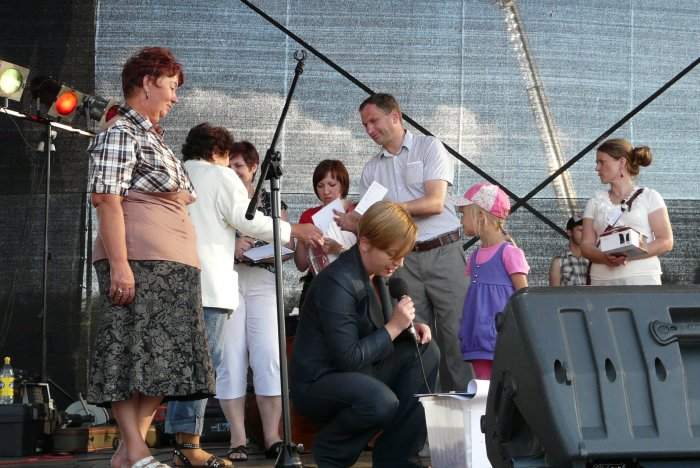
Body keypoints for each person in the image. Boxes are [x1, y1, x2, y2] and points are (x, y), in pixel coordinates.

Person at [167, 129, 322, 466]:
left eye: (239, 164)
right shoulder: (216, 176)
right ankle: (202, 443)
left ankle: (189, 443)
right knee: (213, 363)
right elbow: (244, 219)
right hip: (216, 283)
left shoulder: (179, 172)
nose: (231, 167)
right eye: (229, 159)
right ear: (218, 152)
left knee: (203, 362)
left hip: (188, 280)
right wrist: (294, 230)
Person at [87, 47, 208, 468]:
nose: (175, 97)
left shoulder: (155, 138)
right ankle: (137, 452)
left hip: (173, 266)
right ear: (147, 83)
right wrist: (120, 265)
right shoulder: (121, 132)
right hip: (139, 262)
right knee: (128, 353)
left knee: (162, 360)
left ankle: (129, 452)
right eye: (171, 87)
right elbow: (107, 200)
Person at [335, 93, 470, 392]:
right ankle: (424, 417)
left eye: (374, 121)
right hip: (402, 259)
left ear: (395, 116)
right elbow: (370, 219)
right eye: (364, 125)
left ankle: (467, 414)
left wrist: (386, 210)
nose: (369, 129)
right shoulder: (371, 169)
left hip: (443, 251)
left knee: (457, 337)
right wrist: (353, 220)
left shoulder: (428, 146)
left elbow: (435, 202)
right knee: (418, 340)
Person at [291, 201, 439, 468]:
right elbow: (348, 357)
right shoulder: (337, 282)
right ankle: (332, 450)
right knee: (379, 401)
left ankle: (396, 460)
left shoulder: (376, 273)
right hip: (319, 383)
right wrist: (394, 326)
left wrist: (409, 327)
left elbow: (378, 332)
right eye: (392, 254)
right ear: (365, 243)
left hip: (360, 370)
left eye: (403, 255)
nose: (399, 263)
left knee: (426, 352)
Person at [215, 141, 287, 461]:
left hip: (262, 280)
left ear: (255, 167)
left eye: (239, 166)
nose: (233, 171)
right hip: (227, 279)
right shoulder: (218, 197)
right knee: (230, 358)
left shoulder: (271, 199)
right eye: (228, 166)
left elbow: (284, 242)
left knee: (268, 355)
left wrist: (258, 250)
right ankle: (238, 437)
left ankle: (272, 436)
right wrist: (231, 247)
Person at [454, 182, 529, 380]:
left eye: (463, 214)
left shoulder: (510, 253)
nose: (461, 221)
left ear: (480, 215)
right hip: (477, 342)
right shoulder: (474, 256)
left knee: (504, 389)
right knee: (484, 390)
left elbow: (524, 298)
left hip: (503, 342)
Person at [580, 138, 673, 286]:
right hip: (602, 280)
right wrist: (604, 258)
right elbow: (586, 245)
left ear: (622, 162)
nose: (597, 168)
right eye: (597, 163)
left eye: (602, 162)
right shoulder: (594, 201)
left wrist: (629, 254)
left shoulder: (650, 196)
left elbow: (666, 241)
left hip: (641, 277)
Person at [294, 159, 354, 307]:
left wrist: (338, 249)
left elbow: (367, 255)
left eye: (332, 185)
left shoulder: (355, 213)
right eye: (320, 186)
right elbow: (301, 265)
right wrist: (303, 241)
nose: (326, 191)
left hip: (349, 282)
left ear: (343, 185)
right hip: (317, 282)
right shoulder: (309, 216)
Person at [548, 215, 590, 286]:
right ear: (569, 232)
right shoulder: (558, 262)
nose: (584, 234)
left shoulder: (592, 260)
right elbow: (554, 292)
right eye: (580, 230)